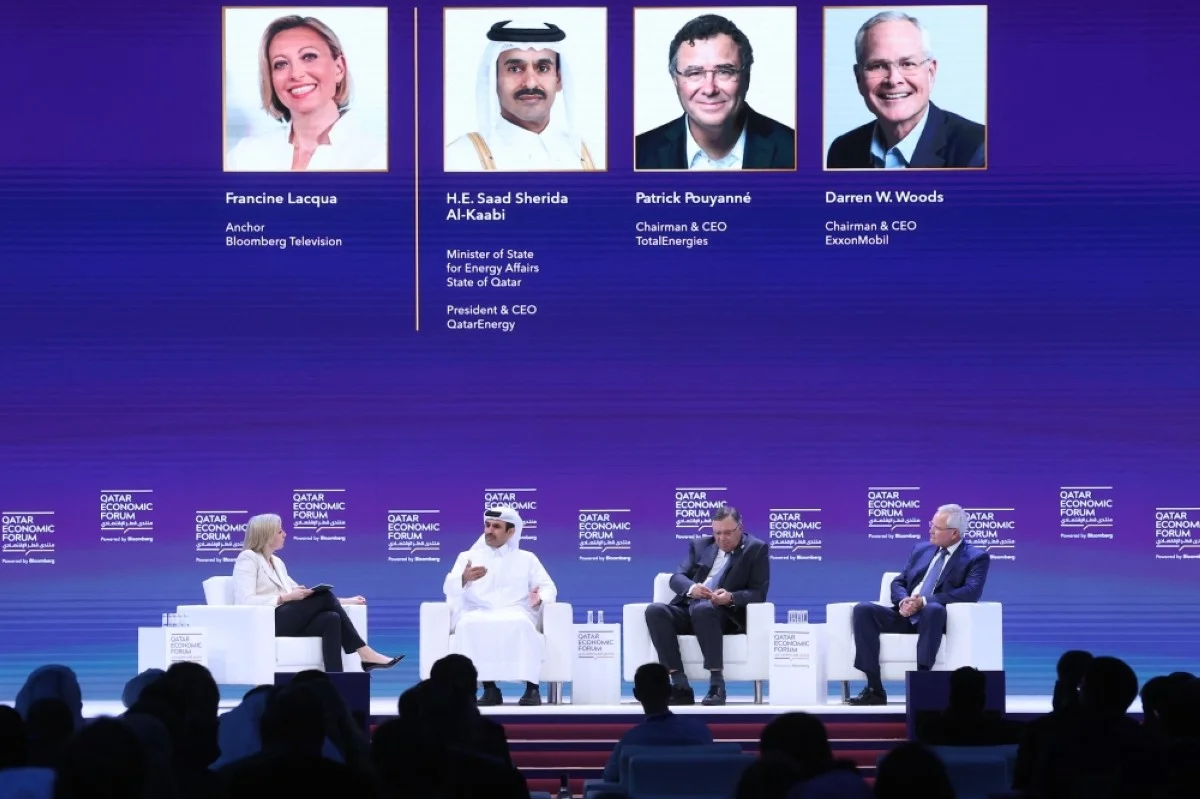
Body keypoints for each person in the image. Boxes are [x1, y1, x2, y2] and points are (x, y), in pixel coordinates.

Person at [846, 503, 990, 706]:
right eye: (931, 524)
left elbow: (971, 592)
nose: (931, 530)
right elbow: (899, 581)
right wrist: (904, 600)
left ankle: (922, 685)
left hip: (933, 619)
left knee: (932, 609)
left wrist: (923, 601)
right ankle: (874, 689)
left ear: (954, 534)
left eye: (937, 527)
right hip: (905, 614)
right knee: (863, 609)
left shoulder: (975, 557)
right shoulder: (921, 550)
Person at [231, 513, 402, 673]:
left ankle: (335, 680)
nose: (285, 534)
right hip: (267, 622)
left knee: (331, 618)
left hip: (287, 620)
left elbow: (302, 594)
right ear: (267, 534)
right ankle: (365, 653)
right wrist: (284, 597)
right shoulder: (248, 558)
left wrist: (344, 601)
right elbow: (244, 601)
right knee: (324, 595)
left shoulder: (277, 562)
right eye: (280, 531)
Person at [644, 505, 770, 706]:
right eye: (717, 533)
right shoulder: (701, 545)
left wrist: (730, 597)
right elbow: (677, 577)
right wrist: (692, 588)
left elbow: (758, 592)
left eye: (727, 533)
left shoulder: (756, 549)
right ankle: (680, 685)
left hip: (723, 615)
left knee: (703, 610)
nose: (721, 538)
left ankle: (717, 685)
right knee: (655, 611)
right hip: (689, 608)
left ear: (740, 528)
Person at [826, 11, 985, 169]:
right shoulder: (842, 151)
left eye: (908, 64)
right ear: (859, 77)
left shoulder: (979, 150)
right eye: (878, 66)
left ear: (930, 73)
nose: (893, 80)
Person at [226, 15, 386, 171]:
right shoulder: (244, 157)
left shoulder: (379, 157)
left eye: (309, 57)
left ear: (339, 69)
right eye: (281, 64)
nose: (296, 74)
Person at [636, 14, 794, 170]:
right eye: (695, 73)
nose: (709, 89)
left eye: (724, 72)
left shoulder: (795, 150)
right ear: (675, 80)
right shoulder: (637, 154)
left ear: (746, 77)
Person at [445, 20, 599, 171]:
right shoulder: (459, 159)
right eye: (515, 69)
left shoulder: (593, 156)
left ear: (559, 79)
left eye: (543, 68)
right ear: (493, 80)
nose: (530, 83)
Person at [442, 506, 558, 706]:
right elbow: (448, 587)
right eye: (487, 525)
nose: (489, 530)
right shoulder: (468, 557)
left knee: (521, 624)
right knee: (468, 625)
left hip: (516, 610)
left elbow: (548, 587)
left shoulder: (527, 558)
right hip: (479, 610)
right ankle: (489, 689)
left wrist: (540, 598)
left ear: (511, 532)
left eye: (496, 526)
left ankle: (532, 689)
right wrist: (463, 578)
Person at [602, 663, 713, 782]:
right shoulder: (699, 732)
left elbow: (610, 777)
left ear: (636, 694)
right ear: (670, 691)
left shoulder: (630, 740)